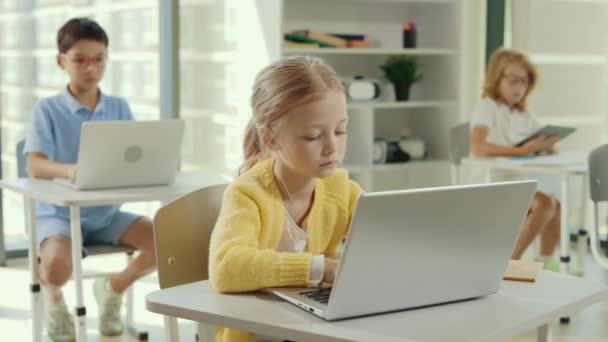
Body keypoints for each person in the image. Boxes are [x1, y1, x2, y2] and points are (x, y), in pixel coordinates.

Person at [209, 56, 362, 342]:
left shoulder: (344, 190)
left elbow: (384, 249)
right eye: (313, 136)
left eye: (340, 130)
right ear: (270, 139)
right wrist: (320, 267)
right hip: (254, 335)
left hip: (313, 330)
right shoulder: (247, 194)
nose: (332, 147)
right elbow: (226, 269)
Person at [24, 17, 156, 341]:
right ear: (61, 61)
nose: (90, 68)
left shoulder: (119, 107)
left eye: (98, 59)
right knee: (56, 265)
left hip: (105, 213)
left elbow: (133, 156)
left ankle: (112, 289)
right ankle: (54, 301)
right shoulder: (47, 109)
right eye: (80, 59)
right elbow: (35, 166)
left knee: (167, 241)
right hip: (58, 214)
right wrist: (71, 169)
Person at [469, 48, 560, 270]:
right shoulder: (487, 107)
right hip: (489, 186)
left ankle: (543, 265)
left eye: (524, 81)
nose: (519, 87)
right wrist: (524, 150)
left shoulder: (523, 115)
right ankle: (509, 265)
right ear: (496, 78)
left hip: (515, 186)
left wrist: (546, 146)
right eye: (513, 80)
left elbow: (545, 144)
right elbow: (478, 146)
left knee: (556, 207)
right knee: (545, 204)